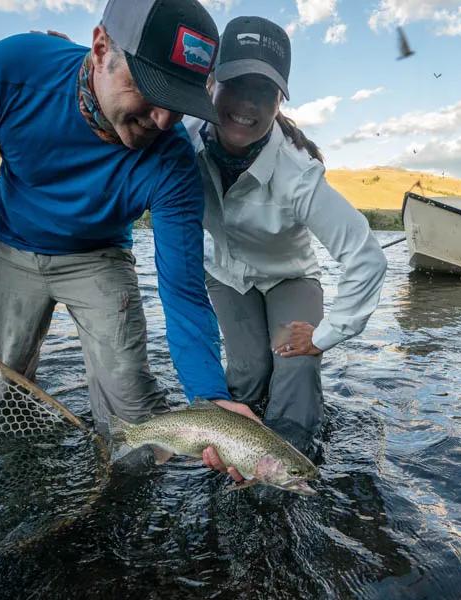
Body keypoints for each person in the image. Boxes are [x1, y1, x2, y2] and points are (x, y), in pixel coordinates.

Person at [0, 0, 259, 437]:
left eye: (181, 100)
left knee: (132, 403)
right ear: (100, 49)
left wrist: (210, 399)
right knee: (3, 395)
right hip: (10, 248)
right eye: (153, 88)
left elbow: (183, 291)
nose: (164, 118)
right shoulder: (7, 71)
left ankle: (127, 491)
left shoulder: (173, 162)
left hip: (101, 258)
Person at [184, 17, 387, 478]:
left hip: (289, 276)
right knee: (247, 373)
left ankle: (291, 474)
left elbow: (366, 257)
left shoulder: (299, 175)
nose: (247, 105)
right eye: (237, 85)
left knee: (294, 367)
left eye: (265, 93)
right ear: (211, 82)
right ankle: (235, 457)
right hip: (225, 274)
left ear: (279, 102)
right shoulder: (183, 137)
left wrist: (324, 336)